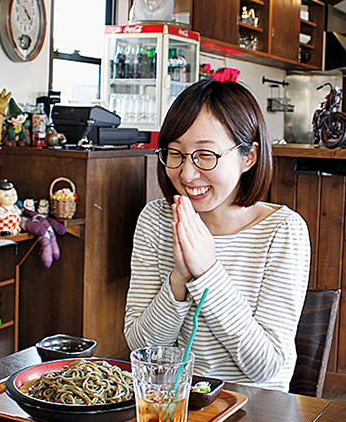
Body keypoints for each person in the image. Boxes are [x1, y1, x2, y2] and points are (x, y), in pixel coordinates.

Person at [124, 79, 311, 392]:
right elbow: (141, 347)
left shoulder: (282, 231)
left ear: (248, 156)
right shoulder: (156, 220)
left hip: (255, 414)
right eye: (175, 154)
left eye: (205, 155)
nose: (187, 174)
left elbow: (265, 367)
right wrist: (180, 279)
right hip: (173, 405)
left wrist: (207, 272)